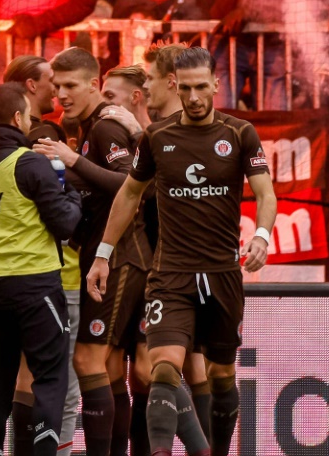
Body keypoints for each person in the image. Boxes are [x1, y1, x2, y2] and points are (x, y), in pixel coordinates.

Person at [85, 46, 276, 456]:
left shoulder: (239, 133)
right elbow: (129, 194)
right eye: (185, 88)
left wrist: (261, 234)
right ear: (175, 85)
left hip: (223, 273)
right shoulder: (158, 136)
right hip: (171, 274)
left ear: (216, 85)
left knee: (222, 375)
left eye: (201, 87)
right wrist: (102, 254)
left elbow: (265, 191)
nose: (193, 97)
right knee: (164, 367)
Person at [28, 47, 146, 456]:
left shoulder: (105, 128)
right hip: (108, 256)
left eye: (71, 86)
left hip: (119, 258)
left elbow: (132, 184)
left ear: (94, 84)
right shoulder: (88, 127)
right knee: (115, 369)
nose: (61, 94)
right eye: (57, 86)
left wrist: (71, 159)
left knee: (89, 362)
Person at [0, 82, 83, 456]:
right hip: (34, 287)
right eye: (30, 116)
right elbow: (65, 224)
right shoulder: (27, 162)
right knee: (50, 382)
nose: (32, 122)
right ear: (17, 118)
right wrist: (74, 196)